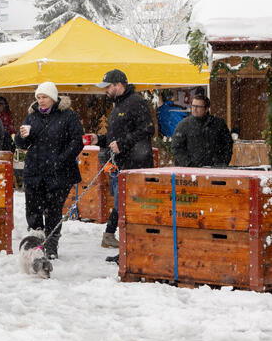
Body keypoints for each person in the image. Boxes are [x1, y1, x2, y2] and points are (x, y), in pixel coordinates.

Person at [13, 82, 83, 259]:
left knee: (53, 209)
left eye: (44, 97)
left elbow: (77, 142)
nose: (41, 101)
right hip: (35, 171)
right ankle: (36, 243)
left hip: (60, 172)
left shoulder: (68, 116)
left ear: (53, 97)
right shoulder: (31, 117)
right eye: (38, 97)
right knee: (34, 209)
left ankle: (51, 245)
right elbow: (22, 145)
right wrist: (22, 137)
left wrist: (60, 160)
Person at [90, 69, 155, 257]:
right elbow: (114, 138)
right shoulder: (117, 105)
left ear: (119, 85)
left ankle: (130, 246)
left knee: (129, 206)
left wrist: (123, 144)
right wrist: (99, 139)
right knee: (122, 203)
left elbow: (147, 129)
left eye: (108, 87)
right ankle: (120, 243)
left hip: (136, 165)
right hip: (120, 164)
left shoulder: (136, 102)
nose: (105, 91)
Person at [171, 94, 233, 168]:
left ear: (206, 109)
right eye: (193, 106)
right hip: (191, 171)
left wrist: (222, 162)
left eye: (198, 106)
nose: (194, 109)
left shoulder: (218, 124)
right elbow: (177, 147)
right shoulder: (183, 125)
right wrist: (188, 164)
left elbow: (227, 144)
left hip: (215, 169)